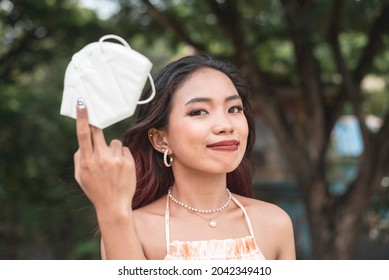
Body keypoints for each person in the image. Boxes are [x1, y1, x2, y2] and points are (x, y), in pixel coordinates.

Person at [74, 53, 296, 260]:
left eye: (234, 109)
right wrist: (111, 209)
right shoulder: (134, 228)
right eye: (199, 111)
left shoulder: (275, 224)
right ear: (161, 140)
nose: (225, 125)